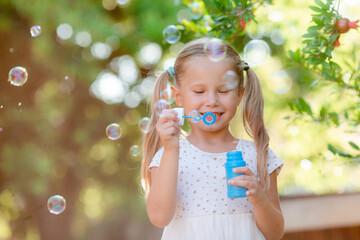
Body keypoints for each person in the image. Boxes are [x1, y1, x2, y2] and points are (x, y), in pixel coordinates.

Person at [141, 38, 284, 240]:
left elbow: (276, 233)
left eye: (224, 91)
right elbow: (159, 217)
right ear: (178, 96)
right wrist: (171, 149)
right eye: (199, 91)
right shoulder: (168, 156)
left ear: (239, 95)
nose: (211, 101)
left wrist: (259, 198)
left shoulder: (258, 155)